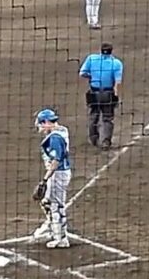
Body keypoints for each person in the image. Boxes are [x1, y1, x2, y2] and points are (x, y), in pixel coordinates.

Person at [31, 109, 72, 249]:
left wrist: (44, 179)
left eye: (42, 123)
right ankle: (53, 227)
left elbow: (56, 161)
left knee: (56, 206)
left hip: (58, 174)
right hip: (59, 173)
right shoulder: (62, 130)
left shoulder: (55, 138)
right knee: (46, 202)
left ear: (48, 122)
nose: (40, 127)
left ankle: (61, 238)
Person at [79, 43, 124, 150]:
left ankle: (94, 138)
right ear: (111, 51)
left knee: (93, 116)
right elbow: (117, 83)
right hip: (108, 94)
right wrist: (116, 96)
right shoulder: (116, 63)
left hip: (94, 93)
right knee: (107, 118)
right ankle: (106, 142)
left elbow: (82, 73)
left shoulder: (91, 59)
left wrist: (92, 77)